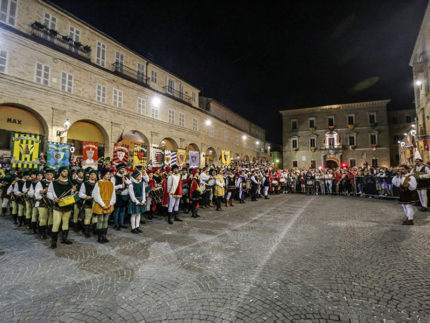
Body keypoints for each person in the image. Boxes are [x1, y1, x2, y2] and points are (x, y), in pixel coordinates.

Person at [47, 166, 76, 249]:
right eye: (64, 171)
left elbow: (72, 195)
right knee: (56, 223)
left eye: (67, 171)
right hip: (57, 206)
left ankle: (64, 238)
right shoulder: (54, 183)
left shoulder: (70, 183)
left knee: (66, 223)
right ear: (60, 172)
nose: (65, 173)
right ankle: (54, 242)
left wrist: (74, 190)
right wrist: (53, 198)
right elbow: (49, 193)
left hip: (68, 206)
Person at [92, 168, 116, 243]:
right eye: (107, 174)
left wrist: (111, 203)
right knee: (100, 220)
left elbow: (113, 195)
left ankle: (104, 236)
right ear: (103, 175)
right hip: (100, 204)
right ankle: (99, 237)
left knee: (105, 220)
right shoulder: (99, 183)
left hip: (108, 204)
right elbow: (96, 195)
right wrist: (103, 204)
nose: (108, 175)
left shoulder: (111, 183)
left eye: (109, 174)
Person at [34, 168, 54, 240]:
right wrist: (43, 191)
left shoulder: (55, 182)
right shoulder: (40, 183)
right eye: (47, 174)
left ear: (53, 175)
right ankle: (42, 233)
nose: (49, 176)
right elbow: (37, 193)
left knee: (51, 218)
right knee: (43, 218)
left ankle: (49, 231)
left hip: (52, 203)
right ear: (45, 175)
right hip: (43, 202)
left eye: (50, 174)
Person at [111, 164, 131, 230]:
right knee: (117, 210)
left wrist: (126, 181)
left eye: (124, 169)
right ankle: (116, 224)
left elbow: (130, 183)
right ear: (118, 170)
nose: (123, 170)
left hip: (125, 196)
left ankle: (121, 223)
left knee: (123, 209)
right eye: (121, 169)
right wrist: (119, 186)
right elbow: (112, 187)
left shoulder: (125, 176)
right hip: (117, 195)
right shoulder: (114, 177)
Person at [78, 169, 97, 238]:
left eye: (94, 174)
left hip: (96, 203)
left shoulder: (98, 183)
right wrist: (86, 196)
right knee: (88, 217)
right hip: (88, 202)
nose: (93, 176)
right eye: (92, 174)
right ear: (89, 175)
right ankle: (86, 231)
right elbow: (80, 193)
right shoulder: (85, 183)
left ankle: (94, 230)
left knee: (95, 217)